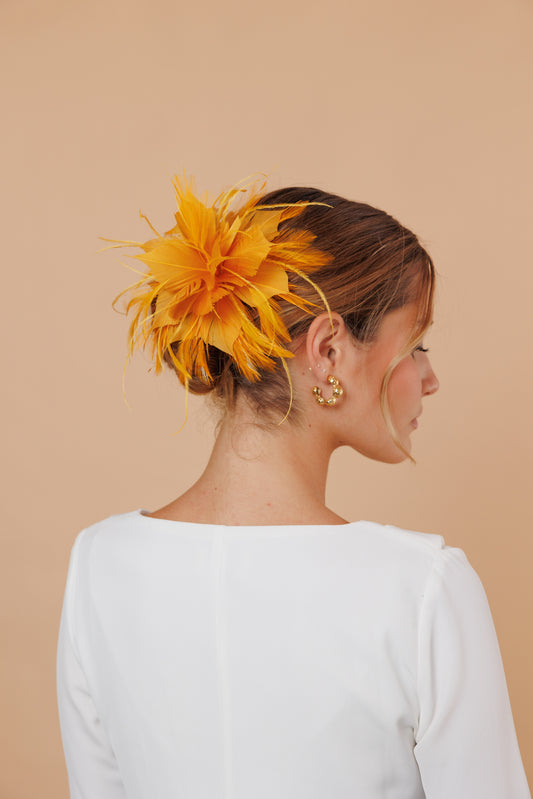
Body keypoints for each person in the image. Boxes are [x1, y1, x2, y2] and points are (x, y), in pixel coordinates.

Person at [56, 177, 531, 798]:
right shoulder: (424, 588)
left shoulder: (99, 564)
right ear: (328, 350)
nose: (429, 377)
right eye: (416, 345)